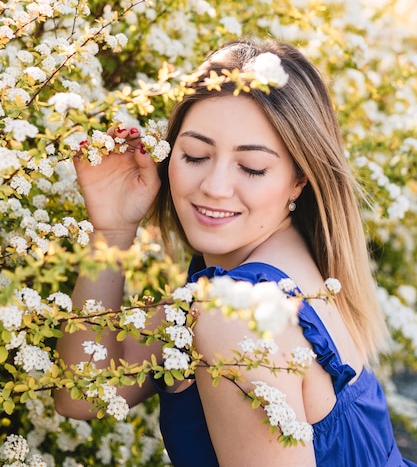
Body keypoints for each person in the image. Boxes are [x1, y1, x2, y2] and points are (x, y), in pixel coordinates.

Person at [55, 38, 416, 467]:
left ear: (299, 178)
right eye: (195, 155)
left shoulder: (238, 316)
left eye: (251, 167)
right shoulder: (265, 270)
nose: (215, 186)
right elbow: (83, 392)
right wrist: (112, 231)